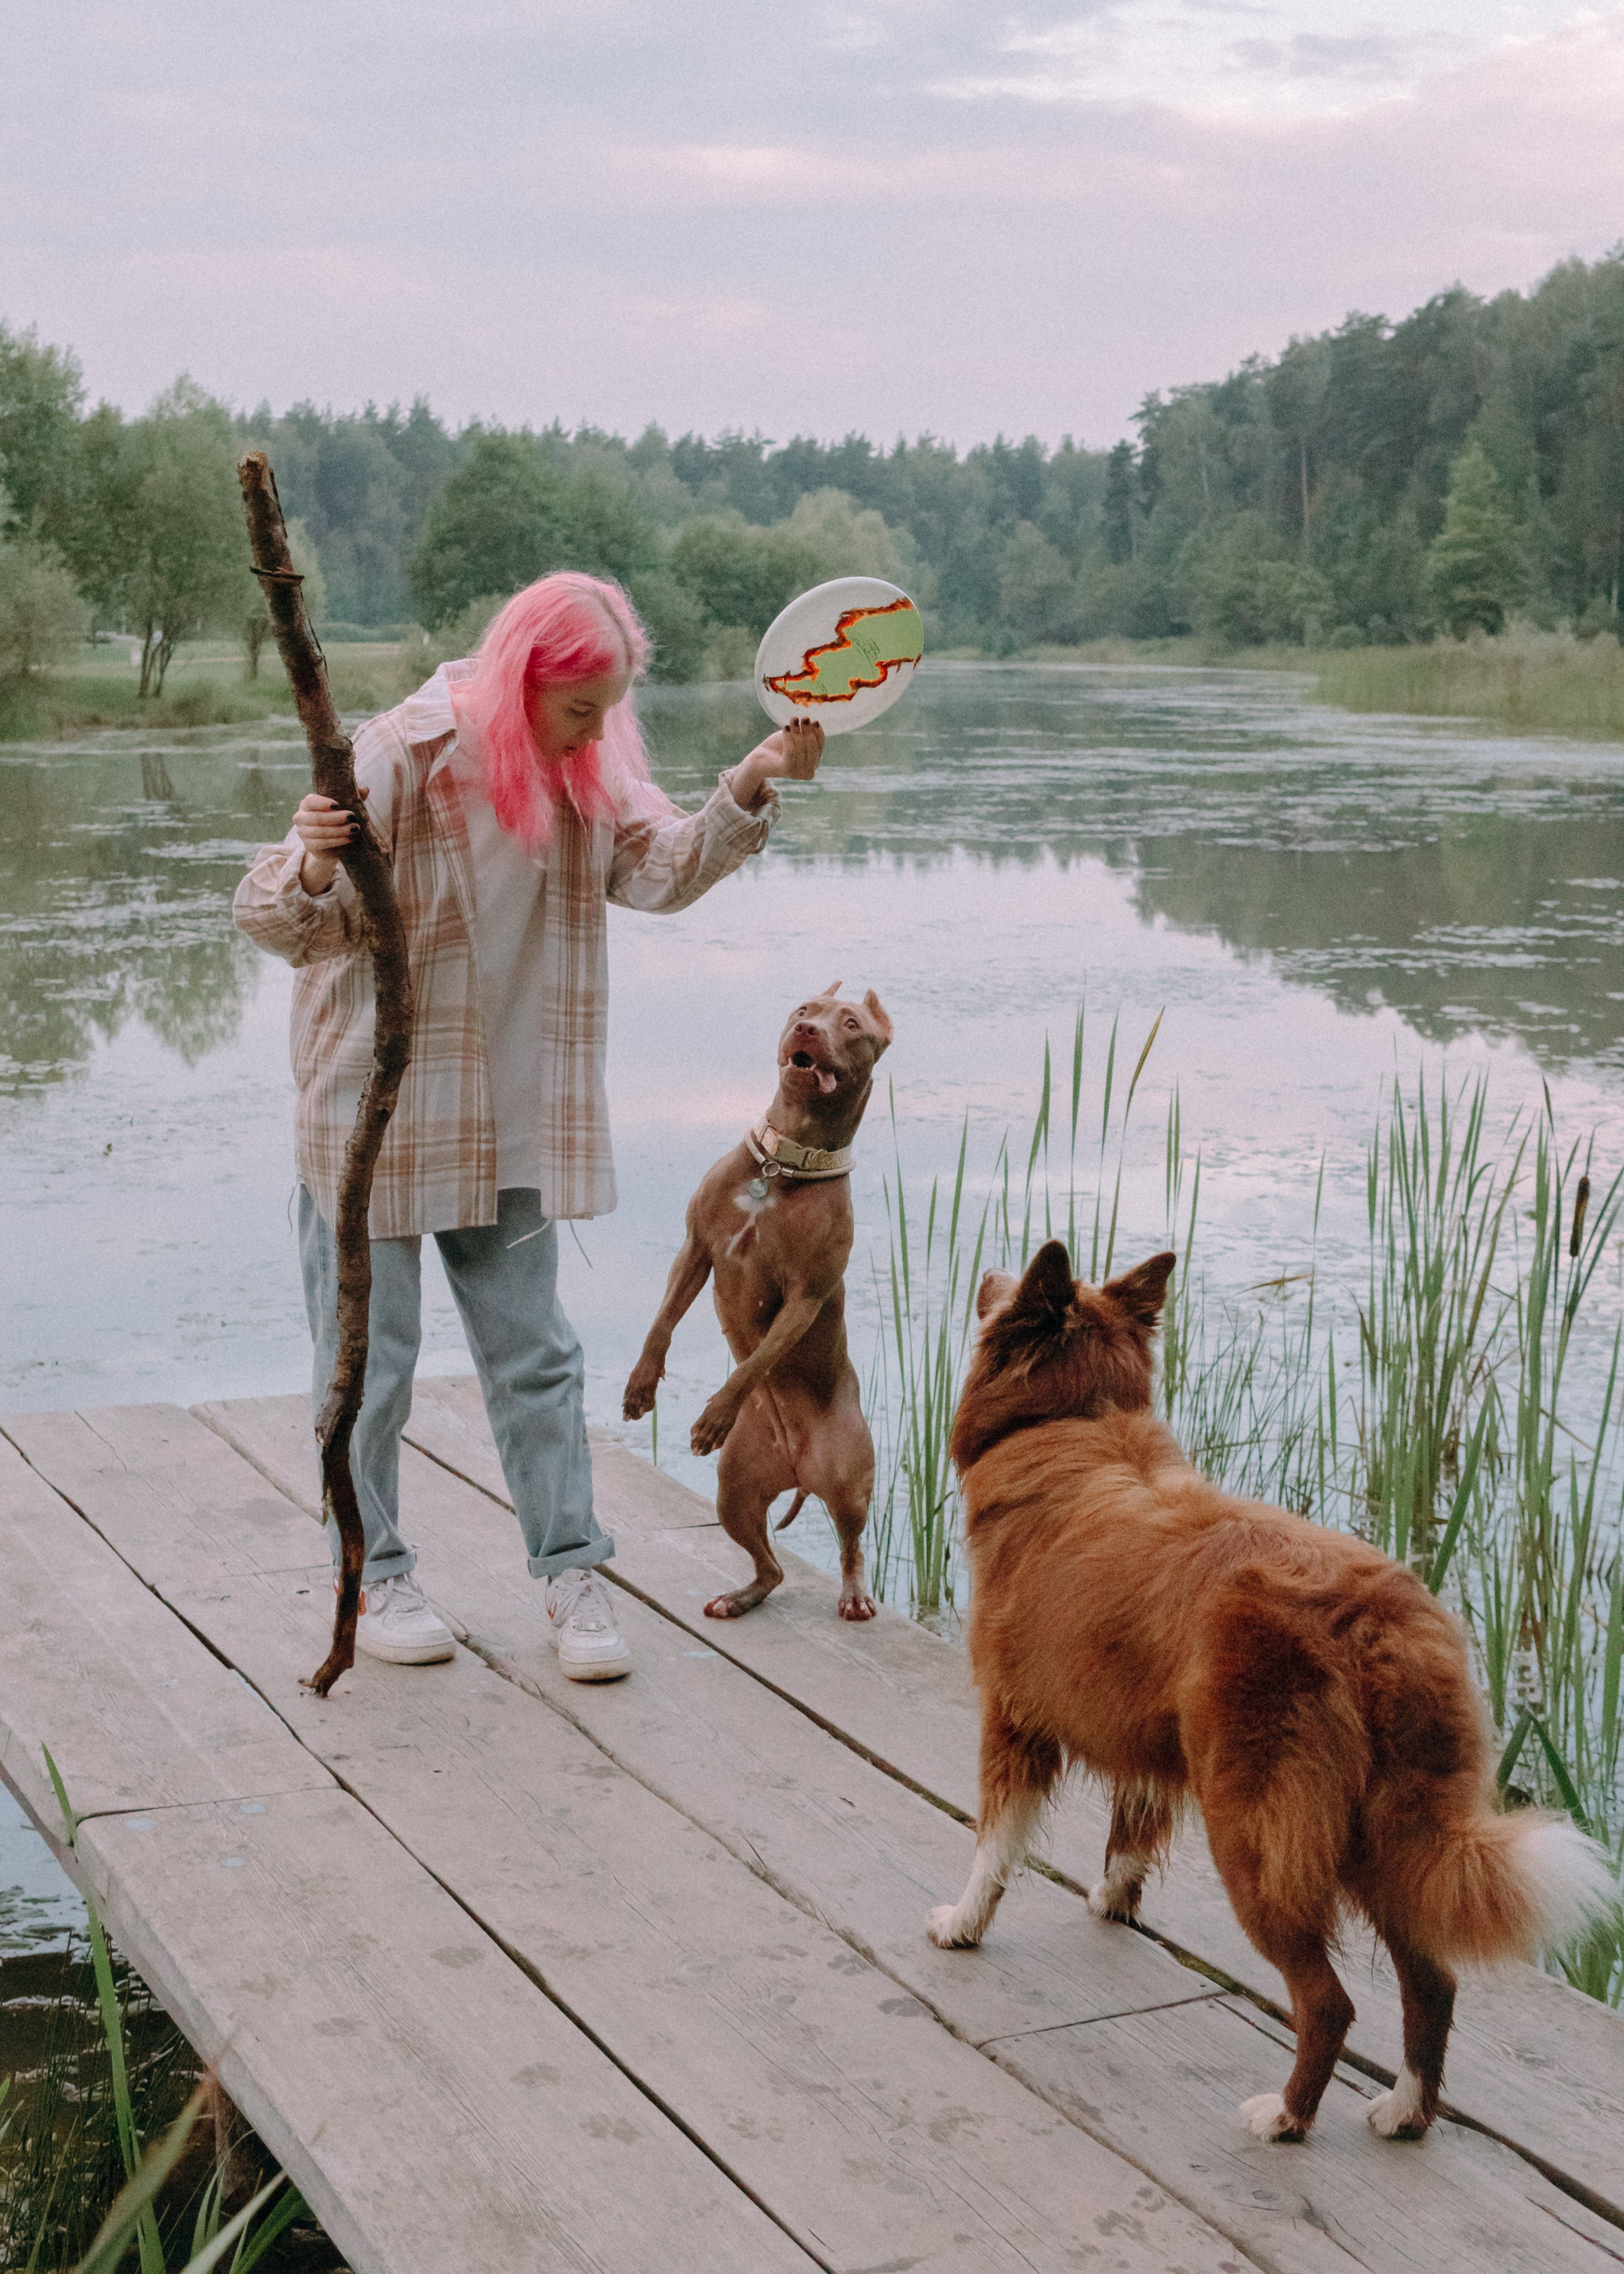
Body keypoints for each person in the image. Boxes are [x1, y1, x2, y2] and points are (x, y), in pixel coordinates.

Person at [235, 572, 822, 1680]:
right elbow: (283, 922)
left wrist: (748, 782)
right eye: (579, 709)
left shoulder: (585, 771)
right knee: (369, 1368)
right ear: (521, 683)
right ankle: (375, 1573)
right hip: (376, 1118)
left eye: (609, 711)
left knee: (537, 1358)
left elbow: (660, 871)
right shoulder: (399, 753)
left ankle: (570, 1571)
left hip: (508, 1115)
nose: (597, 732)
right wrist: (313, 860)